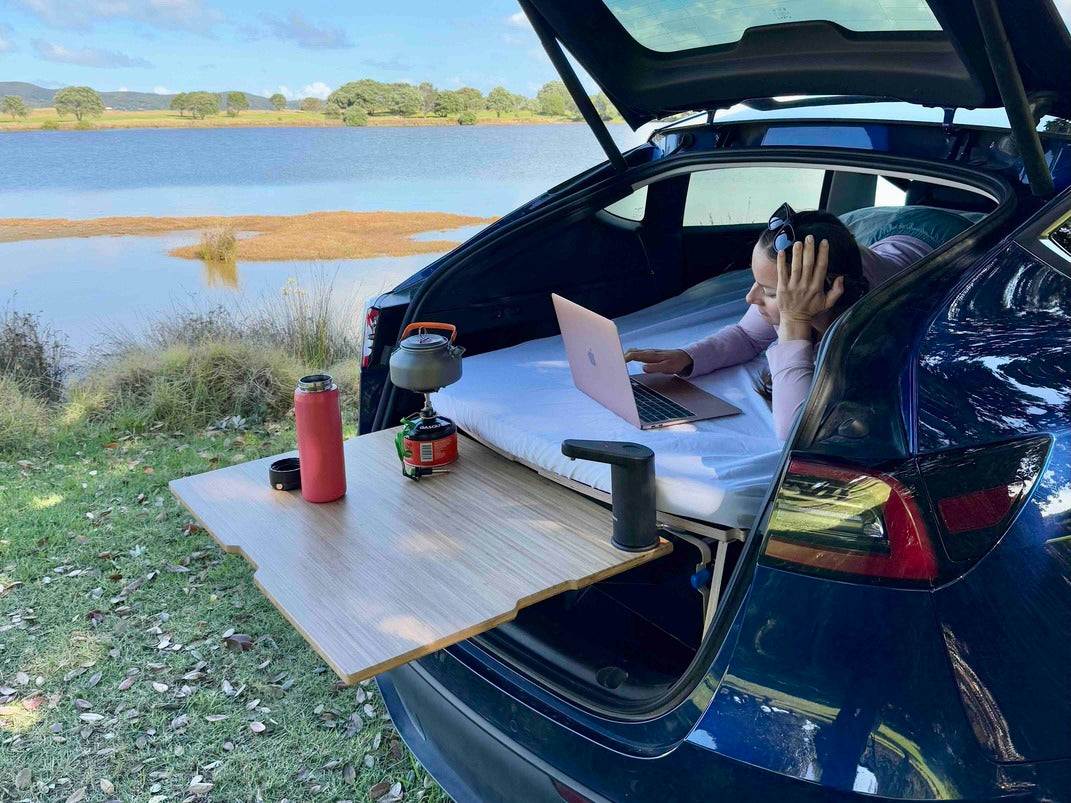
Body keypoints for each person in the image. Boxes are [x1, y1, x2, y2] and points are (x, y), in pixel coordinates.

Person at [625, 203, 934, 439]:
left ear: (826, 292)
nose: (750, 298)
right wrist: (687, 357)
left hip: (934, 237)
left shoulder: (873, 328)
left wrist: (795, 320)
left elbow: (795, 429)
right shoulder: (805, 284)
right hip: (878, 236)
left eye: (769, 291)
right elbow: (747, 335)